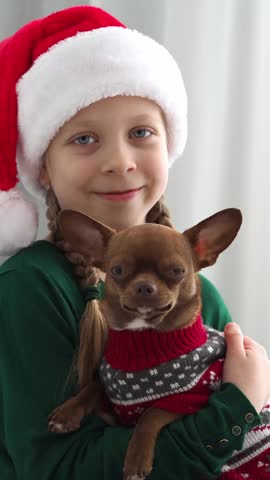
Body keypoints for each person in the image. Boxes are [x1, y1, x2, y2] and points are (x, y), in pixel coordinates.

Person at [0, 5, 269, 480]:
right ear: (42, 166)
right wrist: (237, 406)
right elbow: (56, 469)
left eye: (141, 132)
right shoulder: (31, 287)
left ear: (168, 144)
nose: (120, 161)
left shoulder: (198, 293)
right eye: (85, 138)